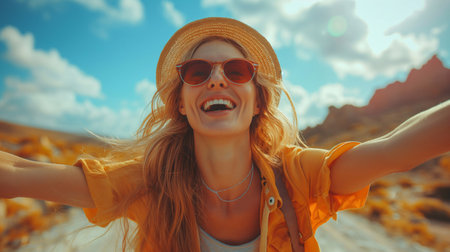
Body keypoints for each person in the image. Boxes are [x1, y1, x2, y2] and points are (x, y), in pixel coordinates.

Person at [0, 17, 449, 252]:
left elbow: (397, 149)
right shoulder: (148, 184)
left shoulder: (299, 176)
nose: (217, 79)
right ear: (181, 101)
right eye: (198, 71)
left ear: (258, 100)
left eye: (236, 71)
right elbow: (17, 170)